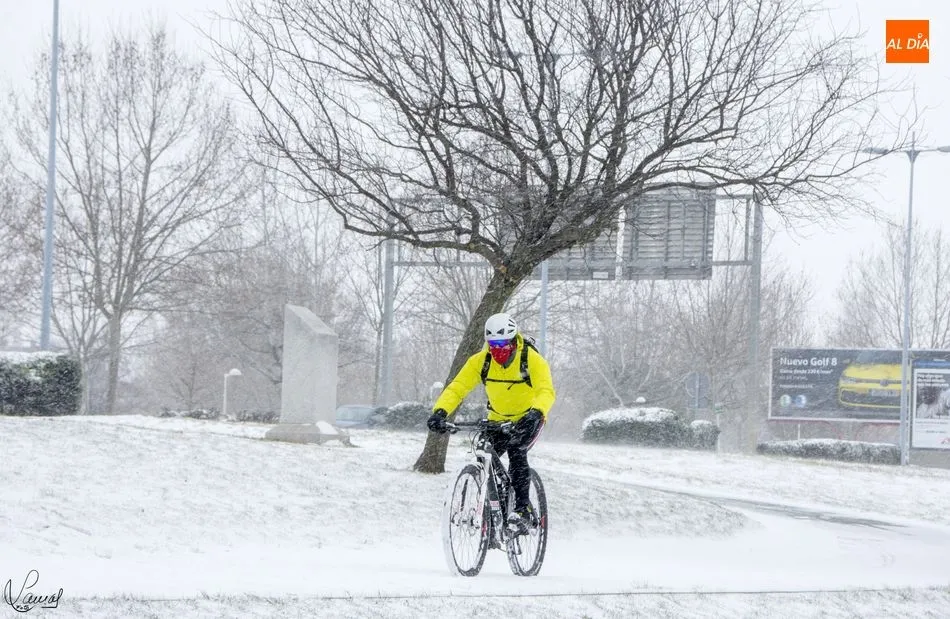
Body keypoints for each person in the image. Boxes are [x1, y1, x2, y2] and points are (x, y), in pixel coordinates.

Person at [427, 312, 555, 532]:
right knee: (483, 454)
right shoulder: (481, 361)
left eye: (502, 344)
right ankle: (491, 511)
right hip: (497, 419)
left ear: (514, 340)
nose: (497, 351)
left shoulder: (531, 360)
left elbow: (546, 391)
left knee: (517, 449)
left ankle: (522, 509)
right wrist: (440, 412)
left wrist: (536, 412)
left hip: (528, 418)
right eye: (492, 345)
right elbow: (458, 388)